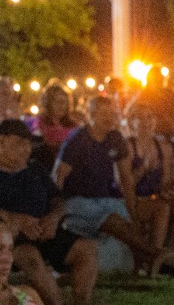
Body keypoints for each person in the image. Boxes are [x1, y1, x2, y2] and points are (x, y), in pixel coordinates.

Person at [0, 118, 103, 305]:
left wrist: (53, 219)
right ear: (1, 141)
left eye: (27, 144)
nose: (25, 149)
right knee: (29, 257)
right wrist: (15, 220)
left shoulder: (35, 169)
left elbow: (57, 199)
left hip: (44, 231)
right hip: (8, 238)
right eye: (19, 143)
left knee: (86, 249)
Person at [54, 94, 154, 274]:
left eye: (112, 114)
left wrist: (132, 210)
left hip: (105, 198)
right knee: (113, 220)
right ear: (92, 115)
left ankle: (143, 263)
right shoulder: (77, 139)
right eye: (104, 114)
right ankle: (153, 254)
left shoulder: (115, 138)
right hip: (78, 200)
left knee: (129, 220)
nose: (110, 118)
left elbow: (126, 178)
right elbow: (58, 175)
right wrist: (56, 211)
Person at [124, 102, 174, 275]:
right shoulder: (128, 147)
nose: (146, 122)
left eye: (150, 118)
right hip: (135, 199)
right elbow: (126, 183)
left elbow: (166, 180)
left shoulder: (163, 147)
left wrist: (168, 190)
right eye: (141, 118)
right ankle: (154, 257)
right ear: (132, 122)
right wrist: (143, 169)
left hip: (156, 196)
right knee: (162, 206)